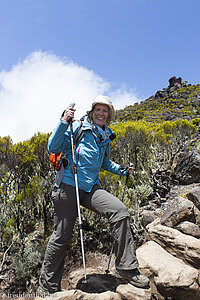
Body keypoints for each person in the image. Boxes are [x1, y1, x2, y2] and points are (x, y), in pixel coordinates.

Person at [37, 95, 149, 295]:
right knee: (62, 236)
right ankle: (47, 287)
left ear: (109, 115)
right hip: (67, 186)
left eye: (105, 110)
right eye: (98, 109)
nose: (101, 113)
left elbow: (105, 163)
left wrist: (122, 170)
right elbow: (53, 147)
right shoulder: (76, 127)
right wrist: (63, 121)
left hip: (90, 187)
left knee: (120, 211)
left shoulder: (104, 136)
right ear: (91, 111)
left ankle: (126, 268)